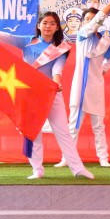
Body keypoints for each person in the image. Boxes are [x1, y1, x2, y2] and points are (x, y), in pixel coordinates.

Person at [23, 11, 93, 180]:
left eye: (52, 23)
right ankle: (37, 169)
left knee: (63, 132)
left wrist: (56, 83)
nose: (48, 26)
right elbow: (1, 36)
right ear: (39, 25)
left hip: (51, 93)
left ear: (57, 28)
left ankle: (78, 169)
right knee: (33, 133)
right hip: (30, 94)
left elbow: (57, 69)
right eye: (45, 23)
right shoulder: (26, 42)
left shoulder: (61, 48)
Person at [61, 0, 110, 168]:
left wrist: (102, 70)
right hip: (79, 87)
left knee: (98, 126)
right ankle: (67, 157)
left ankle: (103, 158)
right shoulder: (82, 34)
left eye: (93, 19)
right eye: (87, 19)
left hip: (96, 87)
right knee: (73, 124)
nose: (90, 22)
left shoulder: (104, 41)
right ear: (83, 22)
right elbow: (98, 19)